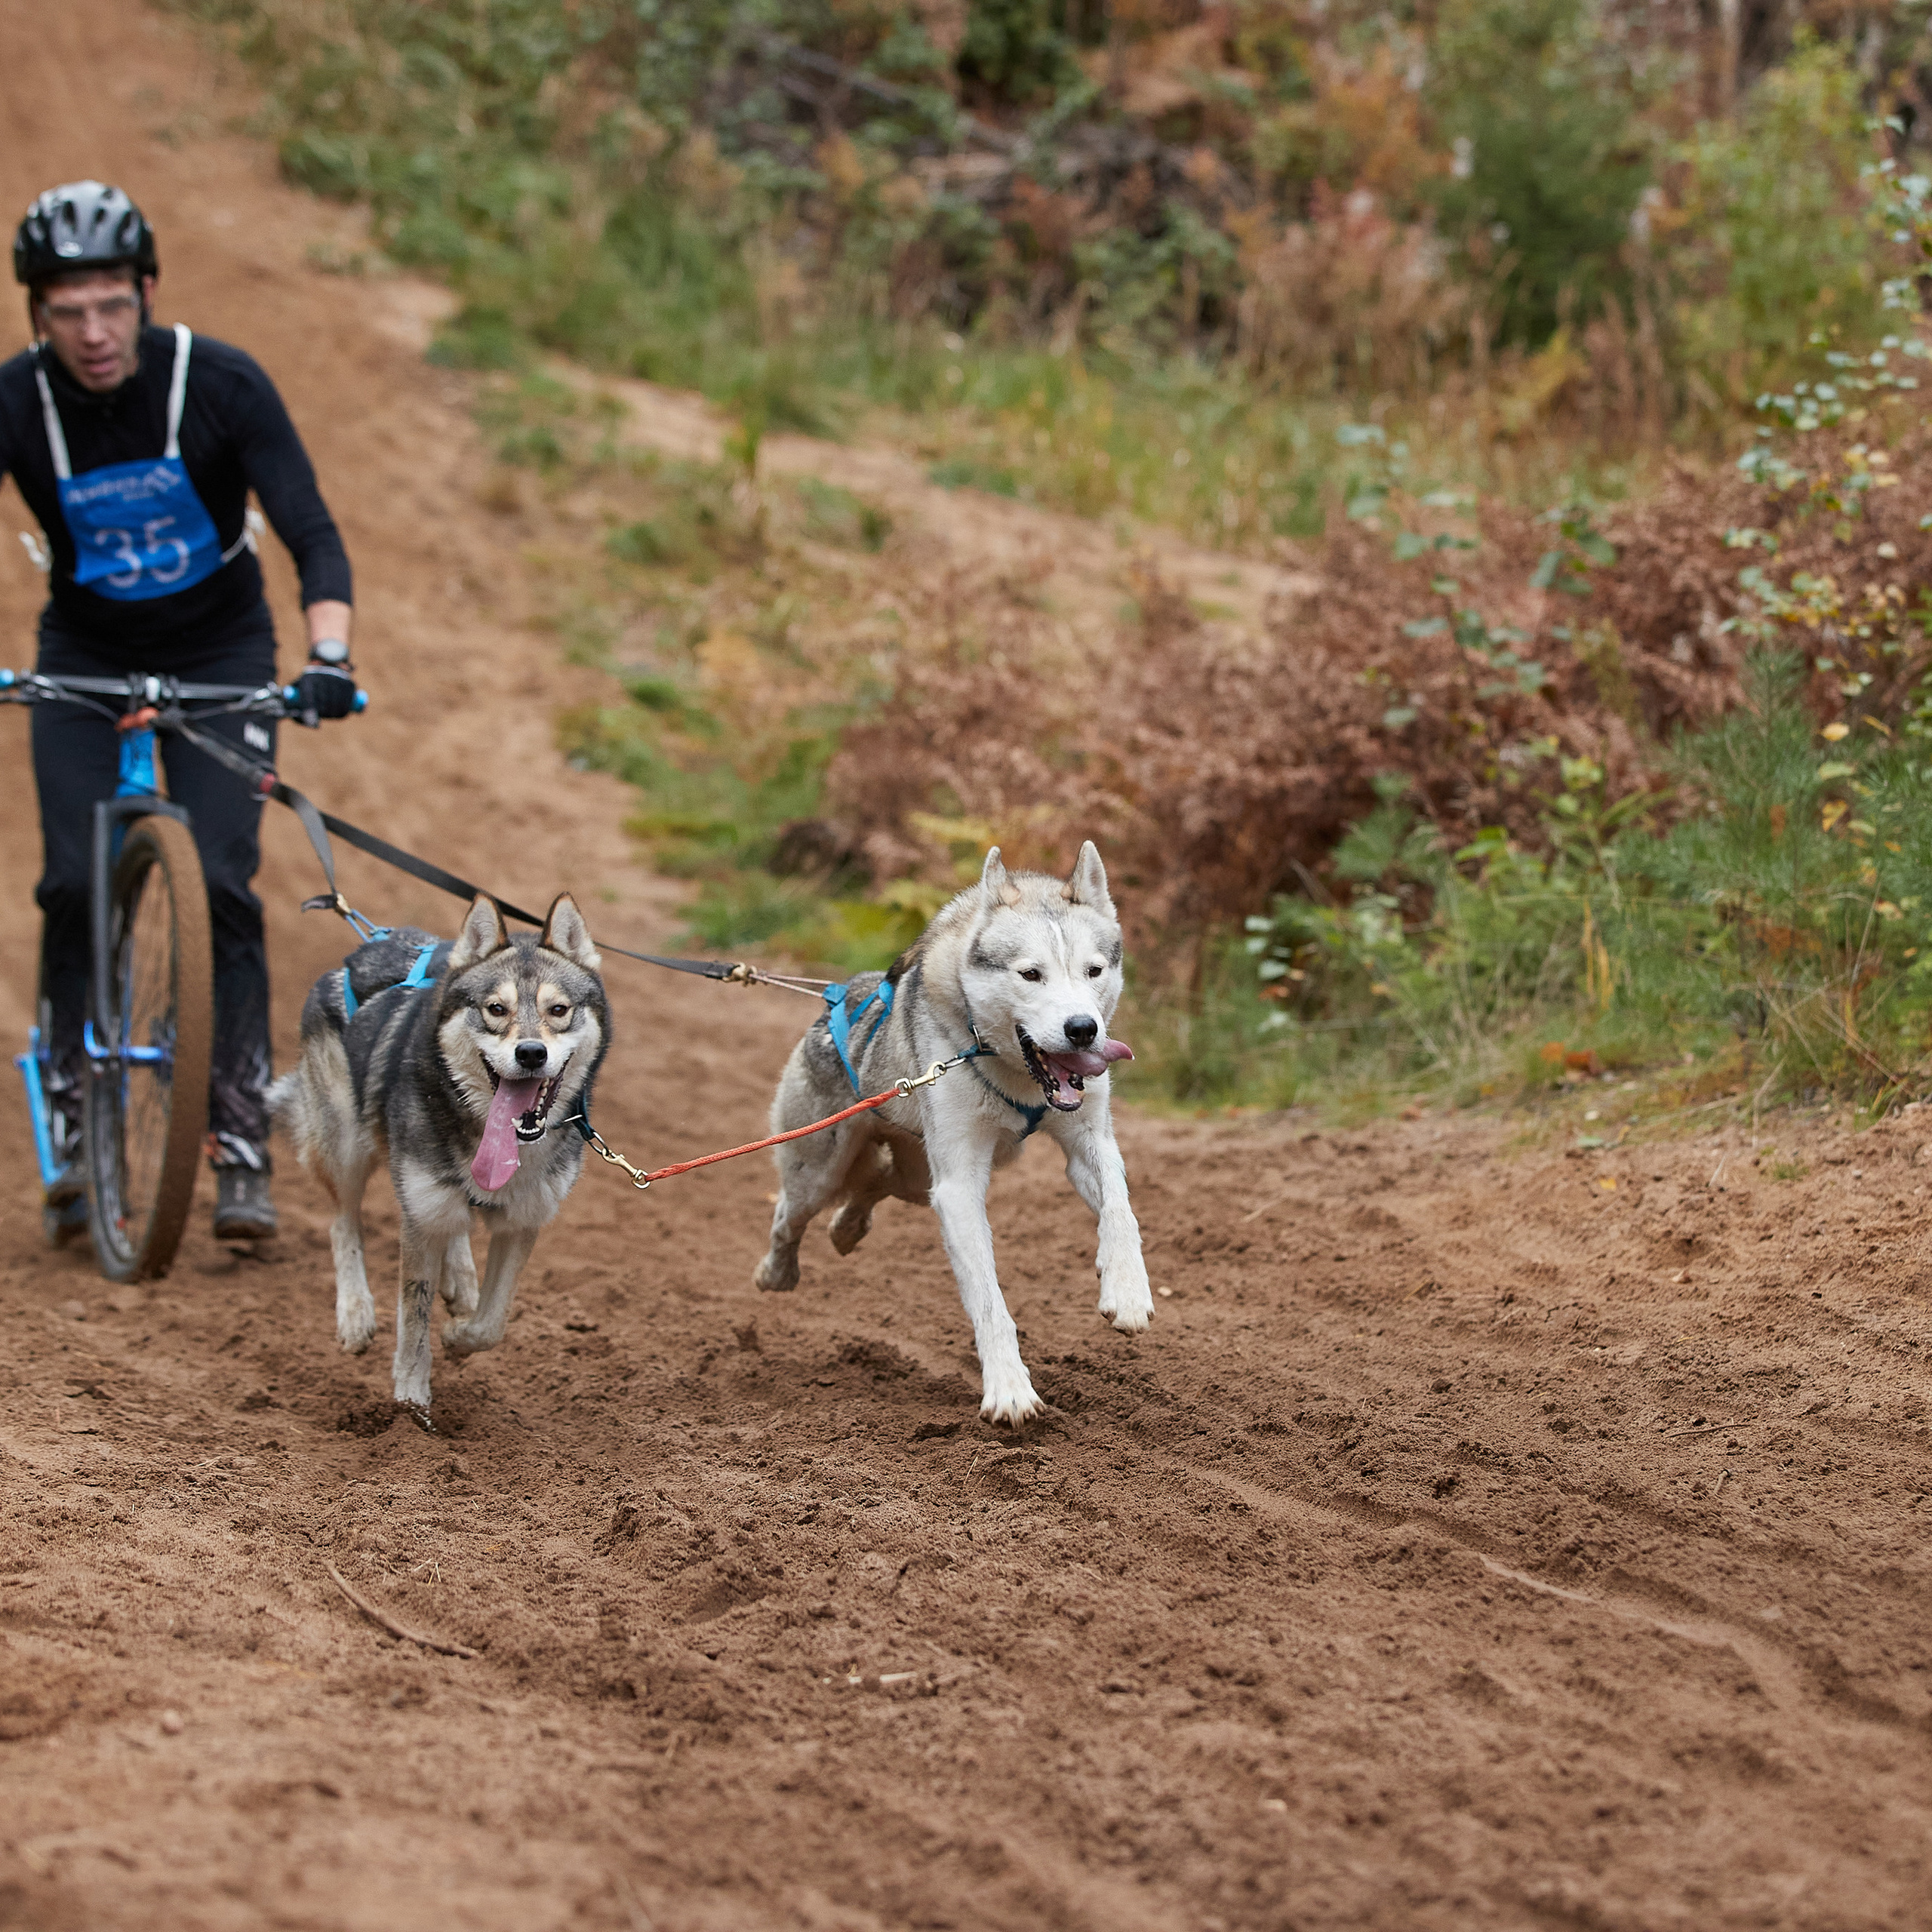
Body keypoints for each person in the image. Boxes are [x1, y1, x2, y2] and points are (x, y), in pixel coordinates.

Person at [1, 181, 358, 1242]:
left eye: (112, 304)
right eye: (68, 313)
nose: (95, 334)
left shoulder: (222, 384)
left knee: (220, 879)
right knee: (71, 881)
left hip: (223, 651)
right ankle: (71, 1101)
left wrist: (329, 652)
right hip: (83, 655)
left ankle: (240, 1127)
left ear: (148, 290)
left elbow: (310, 528)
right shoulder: (18, 403)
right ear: (37, 316)